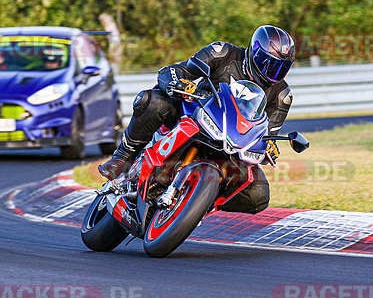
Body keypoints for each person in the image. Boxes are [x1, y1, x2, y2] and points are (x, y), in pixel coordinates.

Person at [97, 25, 296, 214]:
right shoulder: (223, 52)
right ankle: (122, 157)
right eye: (268, 63)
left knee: (258, 194)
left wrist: (269, 146)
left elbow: (267, 132)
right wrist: (177, 82)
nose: (273, 72)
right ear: (255, 51)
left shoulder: (282, 95)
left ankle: (199, 201)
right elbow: (177, 70)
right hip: (194, 112)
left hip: (233, 141)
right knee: (154, 102)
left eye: (281, 68)